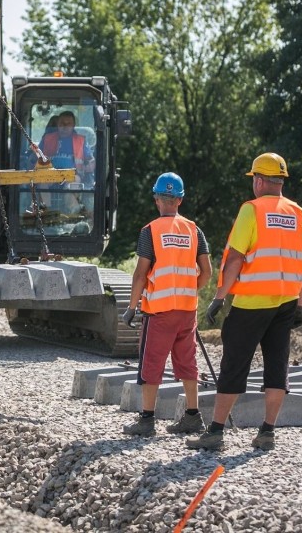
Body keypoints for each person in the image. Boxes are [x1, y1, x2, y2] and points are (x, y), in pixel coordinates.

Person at [186, 152, 302, 451]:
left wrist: (219, 298)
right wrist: (301, 304)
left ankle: (215, 432)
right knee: (277, 366)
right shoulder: (299, 213)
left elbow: (235, 259)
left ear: (258, 180)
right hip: (285, 303)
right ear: (280, 180)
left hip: (252, 302)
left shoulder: (251, 211)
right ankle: (267, 431)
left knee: (234, 365)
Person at [121, 172, 212, 438]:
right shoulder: (195, 230)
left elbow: (140, 273)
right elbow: (206, 271)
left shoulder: (150, 231)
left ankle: (147, 420)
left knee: (151, 362)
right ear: (180, 200)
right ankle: (193, 416)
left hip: (159, 311)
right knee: (187, 361)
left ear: (156, 199)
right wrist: (187, 290)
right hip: (186, 310)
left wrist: (131, 306)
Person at [37, 110, 95, 185]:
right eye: (62, 123)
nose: (65, 126)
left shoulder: (81, 141)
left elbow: (91, 160)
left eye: (68, 124)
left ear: (73, 125)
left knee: (74, 183)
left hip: (72, 174)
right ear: (57, 124)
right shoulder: (47, 139)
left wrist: (87, 167)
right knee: (43, 182)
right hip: (49, 174)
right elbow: (35, 157)